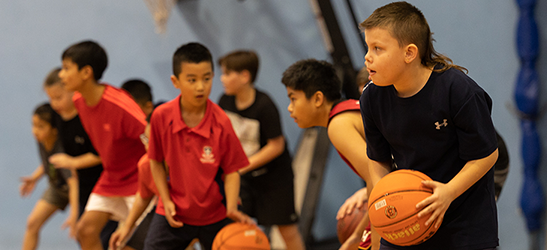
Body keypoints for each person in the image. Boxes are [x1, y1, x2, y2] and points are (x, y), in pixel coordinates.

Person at [359, 2, 498, 249]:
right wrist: (383, 199)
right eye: (368, 47)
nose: (367, 57)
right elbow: (378, 160)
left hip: (464, 219)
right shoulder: (371, 97)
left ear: (409, 53)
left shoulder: (458, 90)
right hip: (406, 215)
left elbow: (486, 155)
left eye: (378, 48)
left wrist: (448, 193)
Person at [145, 42, 253, 250]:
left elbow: (232, 171)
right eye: (192, 80)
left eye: (207, 78)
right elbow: (155, 161)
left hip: (215, 214)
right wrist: (165, 200)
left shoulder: (221, 121)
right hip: (174, 211)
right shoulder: (161, 116)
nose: (201, 87)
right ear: (175, 81)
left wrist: (231, 207)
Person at [281, 59, 379, 250]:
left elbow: (378, 180)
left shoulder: (338, 125)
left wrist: (374, 242)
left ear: (318, 99)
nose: (289, 108)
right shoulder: (348, 109)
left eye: (293, 98)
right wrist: (357, 234)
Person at [59, 40, 147, 250]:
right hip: (111, 177)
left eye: (66, 68)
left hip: (138, 179)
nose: (61, 75)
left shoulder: (120, 105)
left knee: (144, 244)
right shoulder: (80, 101)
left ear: (86, 72)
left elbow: (153, 140)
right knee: (85, 231)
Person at [218, 50, 305, 250]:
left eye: (227, 73)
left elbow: (277, 145)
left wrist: (240, 168)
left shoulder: (264, 106)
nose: (222, 79)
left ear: (244, 76)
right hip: (244, 179)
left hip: (273, 177)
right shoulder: (225, 101)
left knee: (287, 230)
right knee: (235, 226)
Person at [43, 67, 118, 249]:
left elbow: (102, 154)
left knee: (107, 237)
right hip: (84, 186)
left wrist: (73, 162)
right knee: (82, 233)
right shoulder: (57, 118)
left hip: (105, 183)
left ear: (73, 92)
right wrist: (38, 174)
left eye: (58, 97)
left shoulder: (87, 117)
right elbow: (56, 155)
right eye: (51, 98)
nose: (54, 104)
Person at [20, 103, 79, 250]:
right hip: (57, 188)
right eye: (34, 125)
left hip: (78, 192)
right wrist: (35, 178)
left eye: (41, 126)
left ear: (54, 130)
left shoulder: (62, 148)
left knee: (83, 232)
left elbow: (73, 182)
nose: (35, 131)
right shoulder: (42, 140)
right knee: (32, 223)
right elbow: (48, 163)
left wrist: (74, 214)